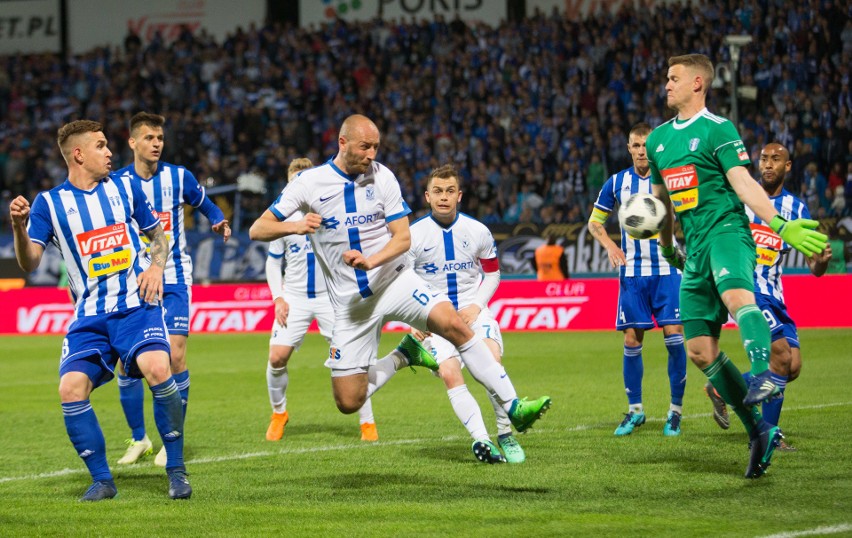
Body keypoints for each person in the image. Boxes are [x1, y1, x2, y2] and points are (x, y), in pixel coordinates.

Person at [249, 114, 550, 441]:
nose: (371, 155)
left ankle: (513, 405)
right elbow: (258, 228)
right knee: (349, 401)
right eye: (365, 147)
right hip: (351, 306)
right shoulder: (309, 184)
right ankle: (404, 355)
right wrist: (296, 225)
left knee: (454, 325)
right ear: (343, 143)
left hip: (395, 281)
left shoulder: (384, 178)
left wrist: (372, 260)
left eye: (376, 147)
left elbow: (402, 238)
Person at [647, 54, 828, 478]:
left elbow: (744, 184)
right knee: (699, 350)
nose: (666, 85)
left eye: (673, 78)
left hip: (728, 233)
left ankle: (762, 372)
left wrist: (780, 225)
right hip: (693, 250)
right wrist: (667, 246)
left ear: (697, 83)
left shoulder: (718, 129)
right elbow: (661, 204)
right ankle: (759, 431)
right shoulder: (657, 141)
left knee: (737, 296)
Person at [9, 120, 190, 500]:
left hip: (135, 306)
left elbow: (158, 235)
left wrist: (156, 266)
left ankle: (176, 469)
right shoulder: (49, 203)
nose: (110, 153)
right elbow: (30, 262)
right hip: (89, 316)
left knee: (159, 367)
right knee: (70, 388)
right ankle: (103, 481)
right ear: (78, 154)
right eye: (101, 146)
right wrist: (18, 228)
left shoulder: (125, 188)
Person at [114, 112, 231, 467]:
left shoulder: (180, 177)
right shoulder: (117, 182)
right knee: (127, 361)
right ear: (133, 142)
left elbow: (205, 203)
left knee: (176, 355)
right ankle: (139, 438)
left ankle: (171, 440)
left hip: (175, 274)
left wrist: (217, 220)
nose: (156, 144)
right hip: (136, 278)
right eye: (149, 138)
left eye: (160, 138)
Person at [705, 142, 832, 450]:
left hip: (776, 294)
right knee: (781, 356)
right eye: (764, 159)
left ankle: (722, 388)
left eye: (776, 159)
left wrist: (822, 259)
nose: (768, 164)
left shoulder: (796, 209)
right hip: (747, 290)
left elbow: (814, 267)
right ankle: (769, 434)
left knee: (793, 366)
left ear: (788, 166)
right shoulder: (740, 200)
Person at [407, 164, 525, 464]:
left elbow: (493, 275)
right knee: (449, 373)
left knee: (491, 359)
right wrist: (414, 320)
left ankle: (505, 434)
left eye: (449, 191)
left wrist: (476, 306)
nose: (443, 197)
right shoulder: (413, 235)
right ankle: (482, 440)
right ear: (427, 196)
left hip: (474, 313)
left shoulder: (477, 231)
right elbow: (402, 282)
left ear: (459, 195)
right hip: (435, 320)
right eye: (437, 191)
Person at [265, 157, 379, 442]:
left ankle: (368, 424)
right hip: (295, 298)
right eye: (295, 181)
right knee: (277, 357)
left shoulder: (333, 211)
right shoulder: (283, 221)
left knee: (353, 360)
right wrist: (278, 297)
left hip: (332, 299)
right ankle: (279, 413)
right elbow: (272, 262)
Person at [588, 122, 687, 437]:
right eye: (635, 145)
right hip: (632, 274)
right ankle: (635, 412)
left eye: (645, 145)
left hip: (667, 269)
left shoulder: (669, 180)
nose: (641, 151)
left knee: (674, 337)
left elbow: (689, 216)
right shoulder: (617, 183)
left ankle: (675, 412)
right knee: (632, 340)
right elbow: (594, 223)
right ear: (628, 148)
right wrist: (610, 245)